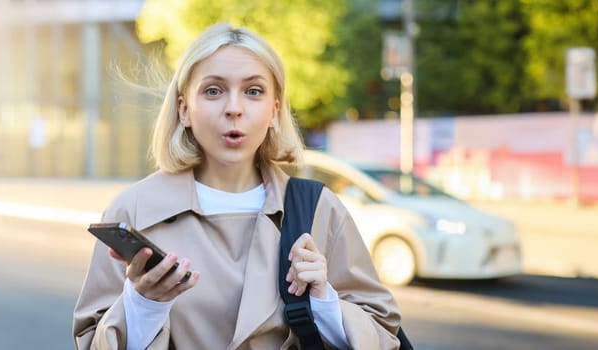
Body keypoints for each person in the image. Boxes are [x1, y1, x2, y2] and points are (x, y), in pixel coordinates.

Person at [73, 23, 401, 349]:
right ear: (184, 110)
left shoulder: (318, 209)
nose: (234, 108)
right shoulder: (135, 209)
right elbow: (91, 341)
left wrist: (325, 303)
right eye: (213, 90)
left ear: (274, 111)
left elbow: (384, 335)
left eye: (253, 91)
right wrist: (144, 305)